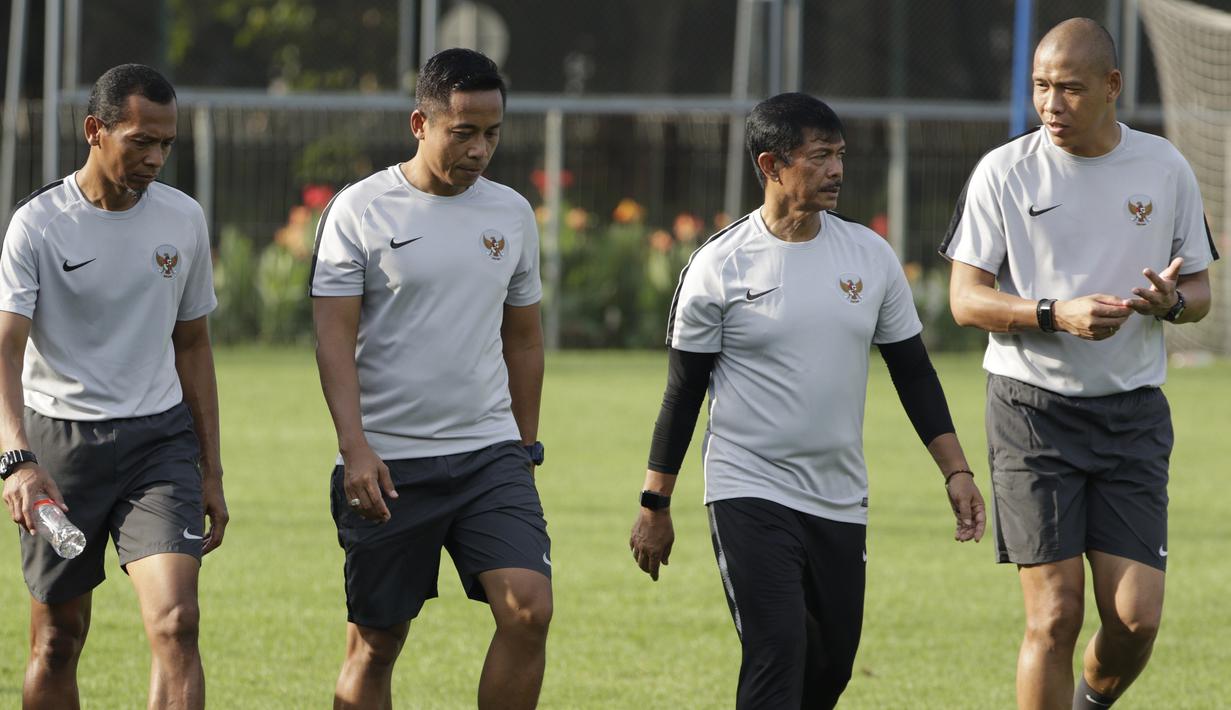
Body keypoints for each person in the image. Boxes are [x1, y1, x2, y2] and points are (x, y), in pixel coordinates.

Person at [629, 92, 987, 709]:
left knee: (831, 665)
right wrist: (654, 504)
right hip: (748, 488)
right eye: (820, 157)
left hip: (839, 496)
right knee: (778, 650)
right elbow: (683, 392)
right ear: (771, 166)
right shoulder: (719, 266)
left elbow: (915, 375)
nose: (837, 171)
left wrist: (956, 470)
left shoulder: (869, 257)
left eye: (840, 156)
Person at [942, 18, 1219, 710]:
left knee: (1133, 621)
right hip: (1031, 410)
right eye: (1040, 86)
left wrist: (1167, 304)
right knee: (1055, 615)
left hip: (1131, 414)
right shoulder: (1003, 172)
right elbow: (964, 299)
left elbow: (1200, 295)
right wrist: (1051, 313)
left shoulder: (1164, 168)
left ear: (1111, 87)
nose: (1050, 104)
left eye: (1068, 88)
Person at [310, 48, 550, 710]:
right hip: (388, 463)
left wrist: (523, 446)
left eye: (493, 133)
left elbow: (523, 338)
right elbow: (332, 337)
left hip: (489, 455)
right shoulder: (360, 210)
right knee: (376, 644)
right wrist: (354, 446)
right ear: (421, 122)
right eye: (464, 131)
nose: (481, 149)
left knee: (528, 611)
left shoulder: (510, 214)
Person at [0, 63, 228, 709]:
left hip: (158, 443)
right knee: (58, 640)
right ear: (95, 130)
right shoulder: (38, 225)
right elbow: (5, 350)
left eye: (166, 144)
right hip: (58, 449)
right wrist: (16, 461)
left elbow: (193, 345)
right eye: (140, 141)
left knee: (177, 623)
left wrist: (210, 469)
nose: (156, 157)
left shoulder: (183, 220)